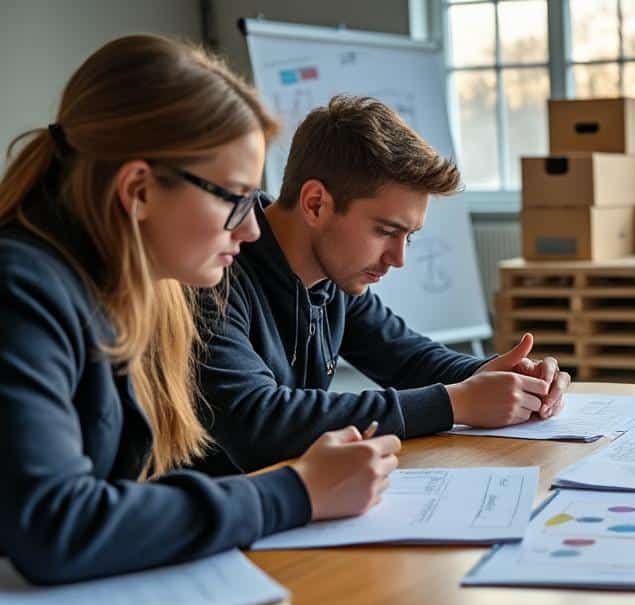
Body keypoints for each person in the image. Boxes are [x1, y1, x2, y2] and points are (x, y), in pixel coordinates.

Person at [0, 36, 399, 585]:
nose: (252, 226)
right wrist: (299, 491)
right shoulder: (22, 290)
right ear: (138, 189)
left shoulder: (134, 292)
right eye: (234, 197)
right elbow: (58, 525)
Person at [193, 95, 569, 475]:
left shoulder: (333, 275)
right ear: (315, 204)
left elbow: (408, 358)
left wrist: (502, 375)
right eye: (386, 231)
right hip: (212, 521)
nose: (398, 258)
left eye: (410, 236)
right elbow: (259, 423)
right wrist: (454, 403)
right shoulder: (211, 273)